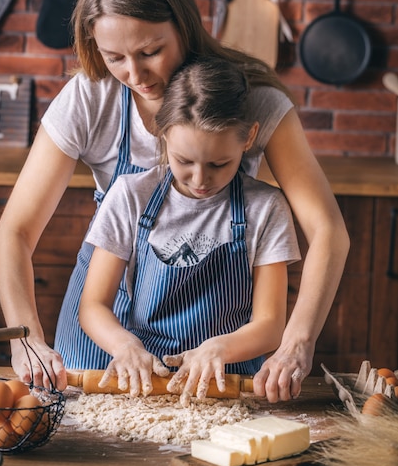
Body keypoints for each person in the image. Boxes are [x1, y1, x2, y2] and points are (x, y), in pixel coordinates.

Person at [0, 0, 350, 402]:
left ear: (183, 24)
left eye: (150, 51)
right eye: (114, 57)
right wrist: (25, 338)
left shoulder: (248, 98)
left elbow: (327, 230)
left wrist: (297, 342)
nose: (134, 74)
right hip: (108, 322)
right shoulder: (90, 96)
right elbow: (16, 232)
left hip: (219, 332)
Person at [78, 57, 300, 407]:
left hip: (228, 386)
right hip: (145, 384)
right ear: (162, 133)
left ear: (249, 138)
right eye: (184, 161)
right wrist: (124, 346)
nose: (200, 180)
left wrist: (219, 347)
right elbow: (93, 306)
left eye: (218, 164)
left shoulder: (266, 209)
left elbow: (271, 324)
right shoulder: (130, 196)